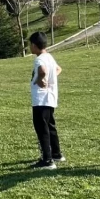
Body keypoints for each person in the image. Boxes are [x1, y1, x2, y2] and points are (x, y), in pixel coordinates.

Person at [29, 32, 64, 170]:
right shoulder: (49, 56)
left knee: (42, 129)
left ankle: (47, 160)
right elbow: (58, 69)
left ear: (34, 45)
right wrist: (51, 78)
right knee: (50, 126)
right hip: (50, 98)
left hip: (41, 99)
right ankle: (56, 154)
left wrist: (41, 79)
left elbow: (42, 71)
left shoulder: (39, 60)